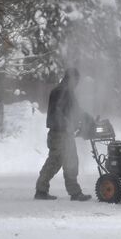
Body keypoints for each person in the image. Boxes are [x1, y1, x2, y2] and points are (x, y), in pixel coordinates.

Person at [34, 68, 91, 201]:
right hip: (60, 133)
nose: (77, 83)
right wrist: (68, 124)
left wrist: (86, 118)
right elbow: (58, 111)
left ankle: (73, 192)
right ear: (71, 79)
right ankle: (42, 191)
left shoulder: (66, 91)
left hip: (64, 133)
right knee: (55, 161)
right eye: (76, 80)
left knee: (68, 161)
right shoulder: (62, 91)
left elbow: (75, 110)